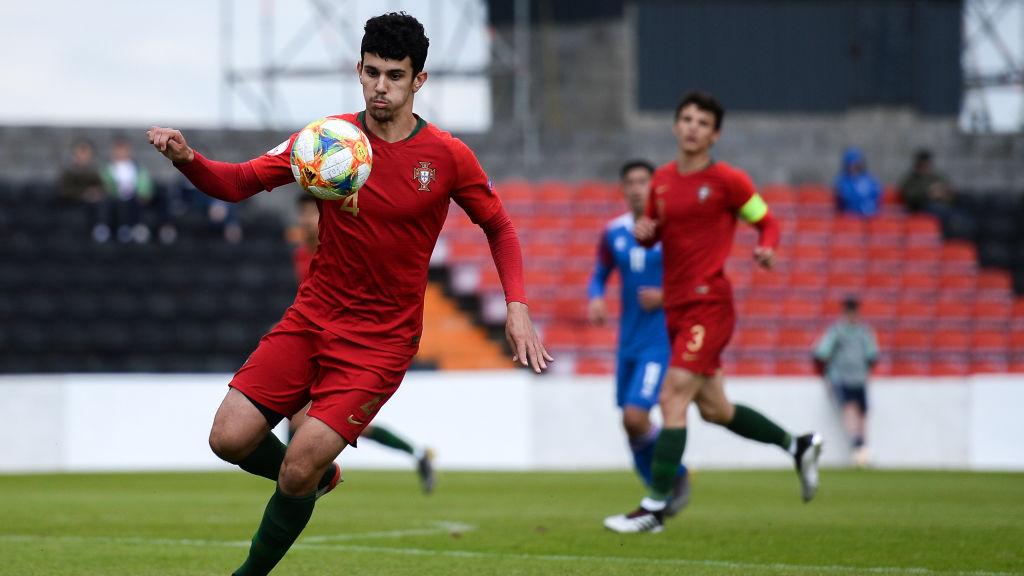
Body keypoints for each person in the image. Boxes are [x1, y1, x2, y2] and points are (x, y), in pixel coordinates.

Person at [148, 13, 551, 575]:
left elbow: (500, 226)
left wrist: (518, 307)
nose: (380, 86)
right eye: (371, 73)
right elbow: (238, 182)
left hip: (381, 341)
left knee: (294, 470)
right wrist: (189, 160)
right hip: (312, 318)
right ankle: (325, 476)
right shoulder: (326, 141)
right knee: (228, 439)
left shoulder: (447, 156)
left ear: (419, 81)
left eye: (394, 75)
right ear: (357, 70)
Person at [604, 91, 823, 534]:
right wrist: (646, 234)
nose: (692, 127)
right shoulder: (662, 182)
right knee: (716, 409)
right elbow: (655, 236)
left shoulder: (729, 182)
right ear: (674, 126)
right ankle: (796, 445)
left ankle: (656, 504)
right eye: (685, 118)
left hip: (710, 304)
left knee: (672, 396)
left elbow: (768, 221)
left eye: (703, 123)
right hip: (677, 308)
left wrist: (766, 247)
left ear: (715, 134)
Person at [289, 193, 435, 494]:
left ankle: (303, 480)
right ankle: (298, 480)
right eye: (301, 214)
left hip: (348, 343)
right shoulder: (301, 255)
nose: (304, 221)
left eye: (310, 214)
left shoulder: (341, 249)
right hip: (318, 339)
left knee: (340, 423)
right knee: (298, 418)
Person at [587, 160, 689, 516]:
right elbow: (599, 273)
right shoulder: (614, 231)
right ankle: (657, 494)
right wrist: (596, 297)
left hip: (659, 341)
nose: (636, 188)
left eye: (643, 181)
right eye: (629, 181)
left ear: (654, 186)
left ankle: (675, 476)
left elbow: (695, 280)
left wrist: (665, 296)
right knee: (630, 425)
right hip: (627, 344)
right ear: (622, 188)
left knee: (635, 416)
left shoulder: (671, 229)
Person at [813, 297, 878, 467]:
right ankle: (857, 444)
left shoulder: (863, 332)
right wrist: (827, 376)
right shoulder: (837, 331)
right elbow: (821, 353)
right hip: (840, 378)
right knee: (849, 408)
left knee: (862, 413)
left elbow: (872, 355)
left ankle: (861, 447)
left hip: (859, 378)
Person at [99, 137, 155, 243]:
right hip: (114, 198)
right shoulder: (107, 168)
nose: (121, 152)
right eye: (118, 149)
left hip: (134, 198)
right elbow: (104, 183)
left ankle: (138, 228)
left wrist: (143, 193)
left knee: (135, 202)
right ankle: (112, 228)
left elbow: (144, 183)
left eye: (124, 149)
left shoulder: (138, 168)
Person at [898, 149, 952, 216]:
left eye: (926, 164)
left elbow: (948, 191)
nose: (924, 166)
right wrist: (929, 193)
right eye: (921, 164)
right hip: (921, 206)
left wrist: (941, 193)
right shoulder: (911, 179)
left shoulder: (937, 177)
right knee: (942, 211)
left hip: (942, 204)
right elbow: (908, 195)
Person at [833, 147, 881, 217]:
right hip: (848, 218)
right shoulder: (842, 181)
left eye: (856, 164)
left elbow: (876, 195)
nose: (853, 167)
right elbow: (844, 200)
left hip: (869, 215)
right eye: (851, 164)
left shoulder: (870, 180)